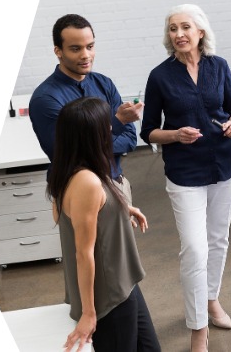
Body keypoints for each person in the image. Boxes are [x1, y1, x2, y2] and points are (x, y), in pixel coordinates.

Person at [140, 4, 231, 352]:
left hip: (225, 165)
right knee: (195, 250)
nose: (179, 34)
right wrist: (174, 135)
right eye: (172, 28)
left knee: (218, 240)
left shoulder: (219, 66)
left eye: (186, 26)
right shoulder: (160, 77)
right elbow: (148, 131)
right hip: (186, 173)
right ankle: (198, 328)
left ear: (201, 31)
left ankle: (211, 299)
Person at [47, 97, 161, 352]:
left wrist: (121, 209)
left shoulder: (71, 170)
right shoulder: (87, 181)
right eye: (105, 125)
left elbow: (70, 214)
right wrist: (89, 313)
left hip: (124, 281)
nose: (111, 129)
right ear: (91, 135)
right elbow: (83, 253)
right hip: (109, 295)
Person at [29, 13, 142, 199]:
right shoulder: (46, 98)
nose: (85, 55)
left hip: (117, 185)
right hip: (77, 192)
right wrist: (118, 122)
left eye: (90, 47)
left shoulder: (104, 84)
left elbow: (130, 140)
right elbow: (67, 154)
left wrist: (88, 144)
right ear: (58, 51)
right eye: (75, 49)